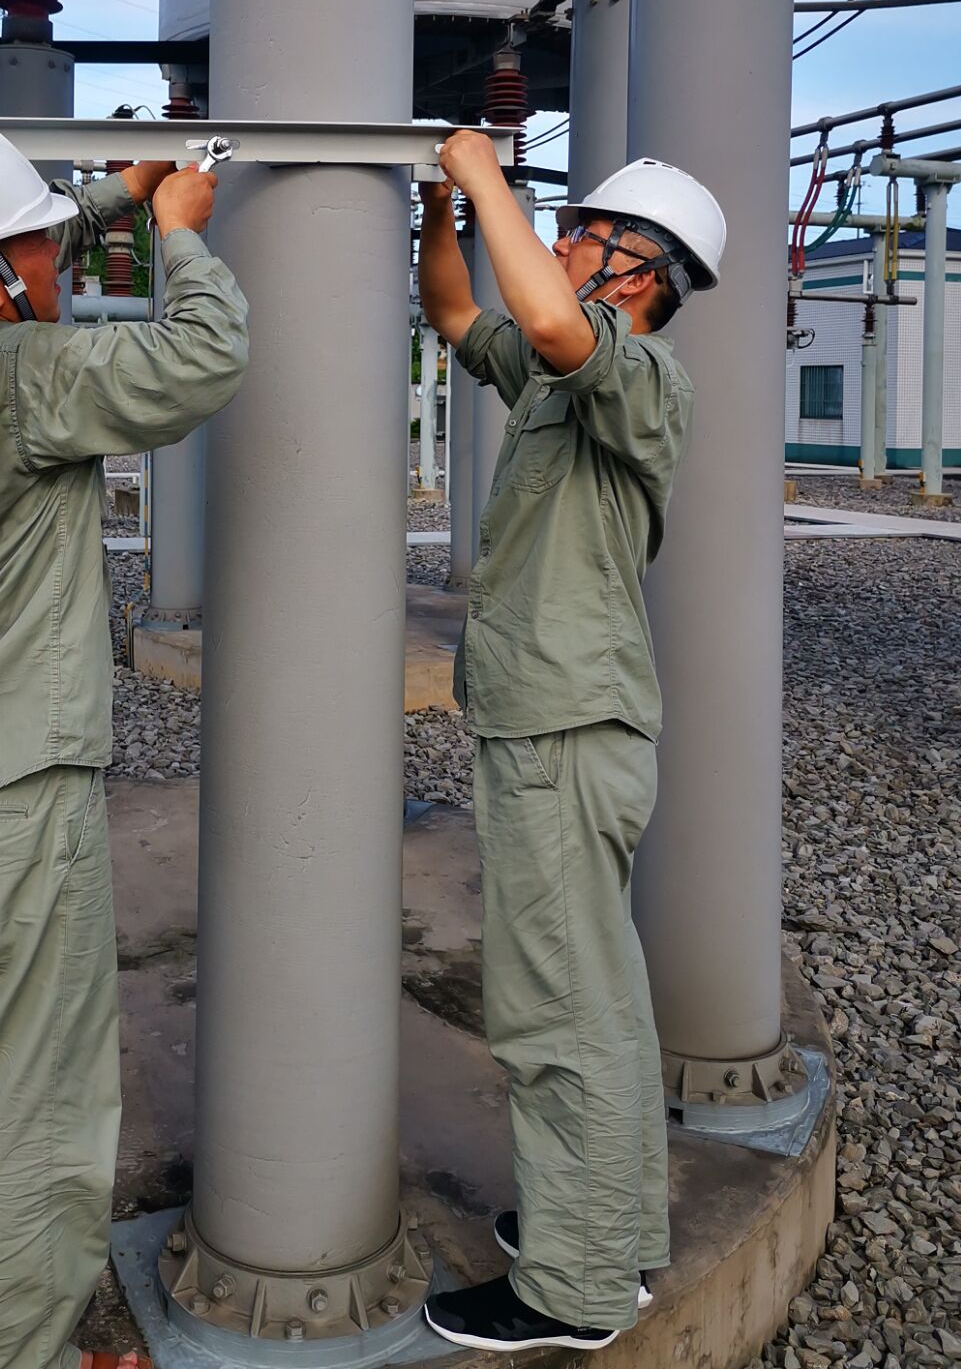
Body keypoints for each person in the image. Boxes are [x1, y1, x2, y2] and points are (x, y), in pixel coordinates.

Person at [0, 121, 250, 1369]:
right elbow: (205, 359)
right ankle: (16, 1355)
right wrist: (177, 234)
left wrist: (106, 200)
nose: (54, 258)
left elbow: (11, 258)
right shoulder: (33, 377)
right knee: (38, 1106)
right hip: (17, 800)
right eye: (34, 245)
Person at [416, 133, 726, 1355]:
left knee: (560, 1016)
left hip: (566, 729)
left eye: (585, 232)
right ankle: (613, 1231)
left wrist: (489, 173)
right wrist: (443, 210)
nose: (559, 242)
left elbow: (546, 324)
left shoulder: (639, 376)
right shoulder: (563, 378)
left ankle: (576, 1289)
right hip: (548, 718)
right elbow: (456, 311)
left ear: (635, 270)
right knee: (597, 997)